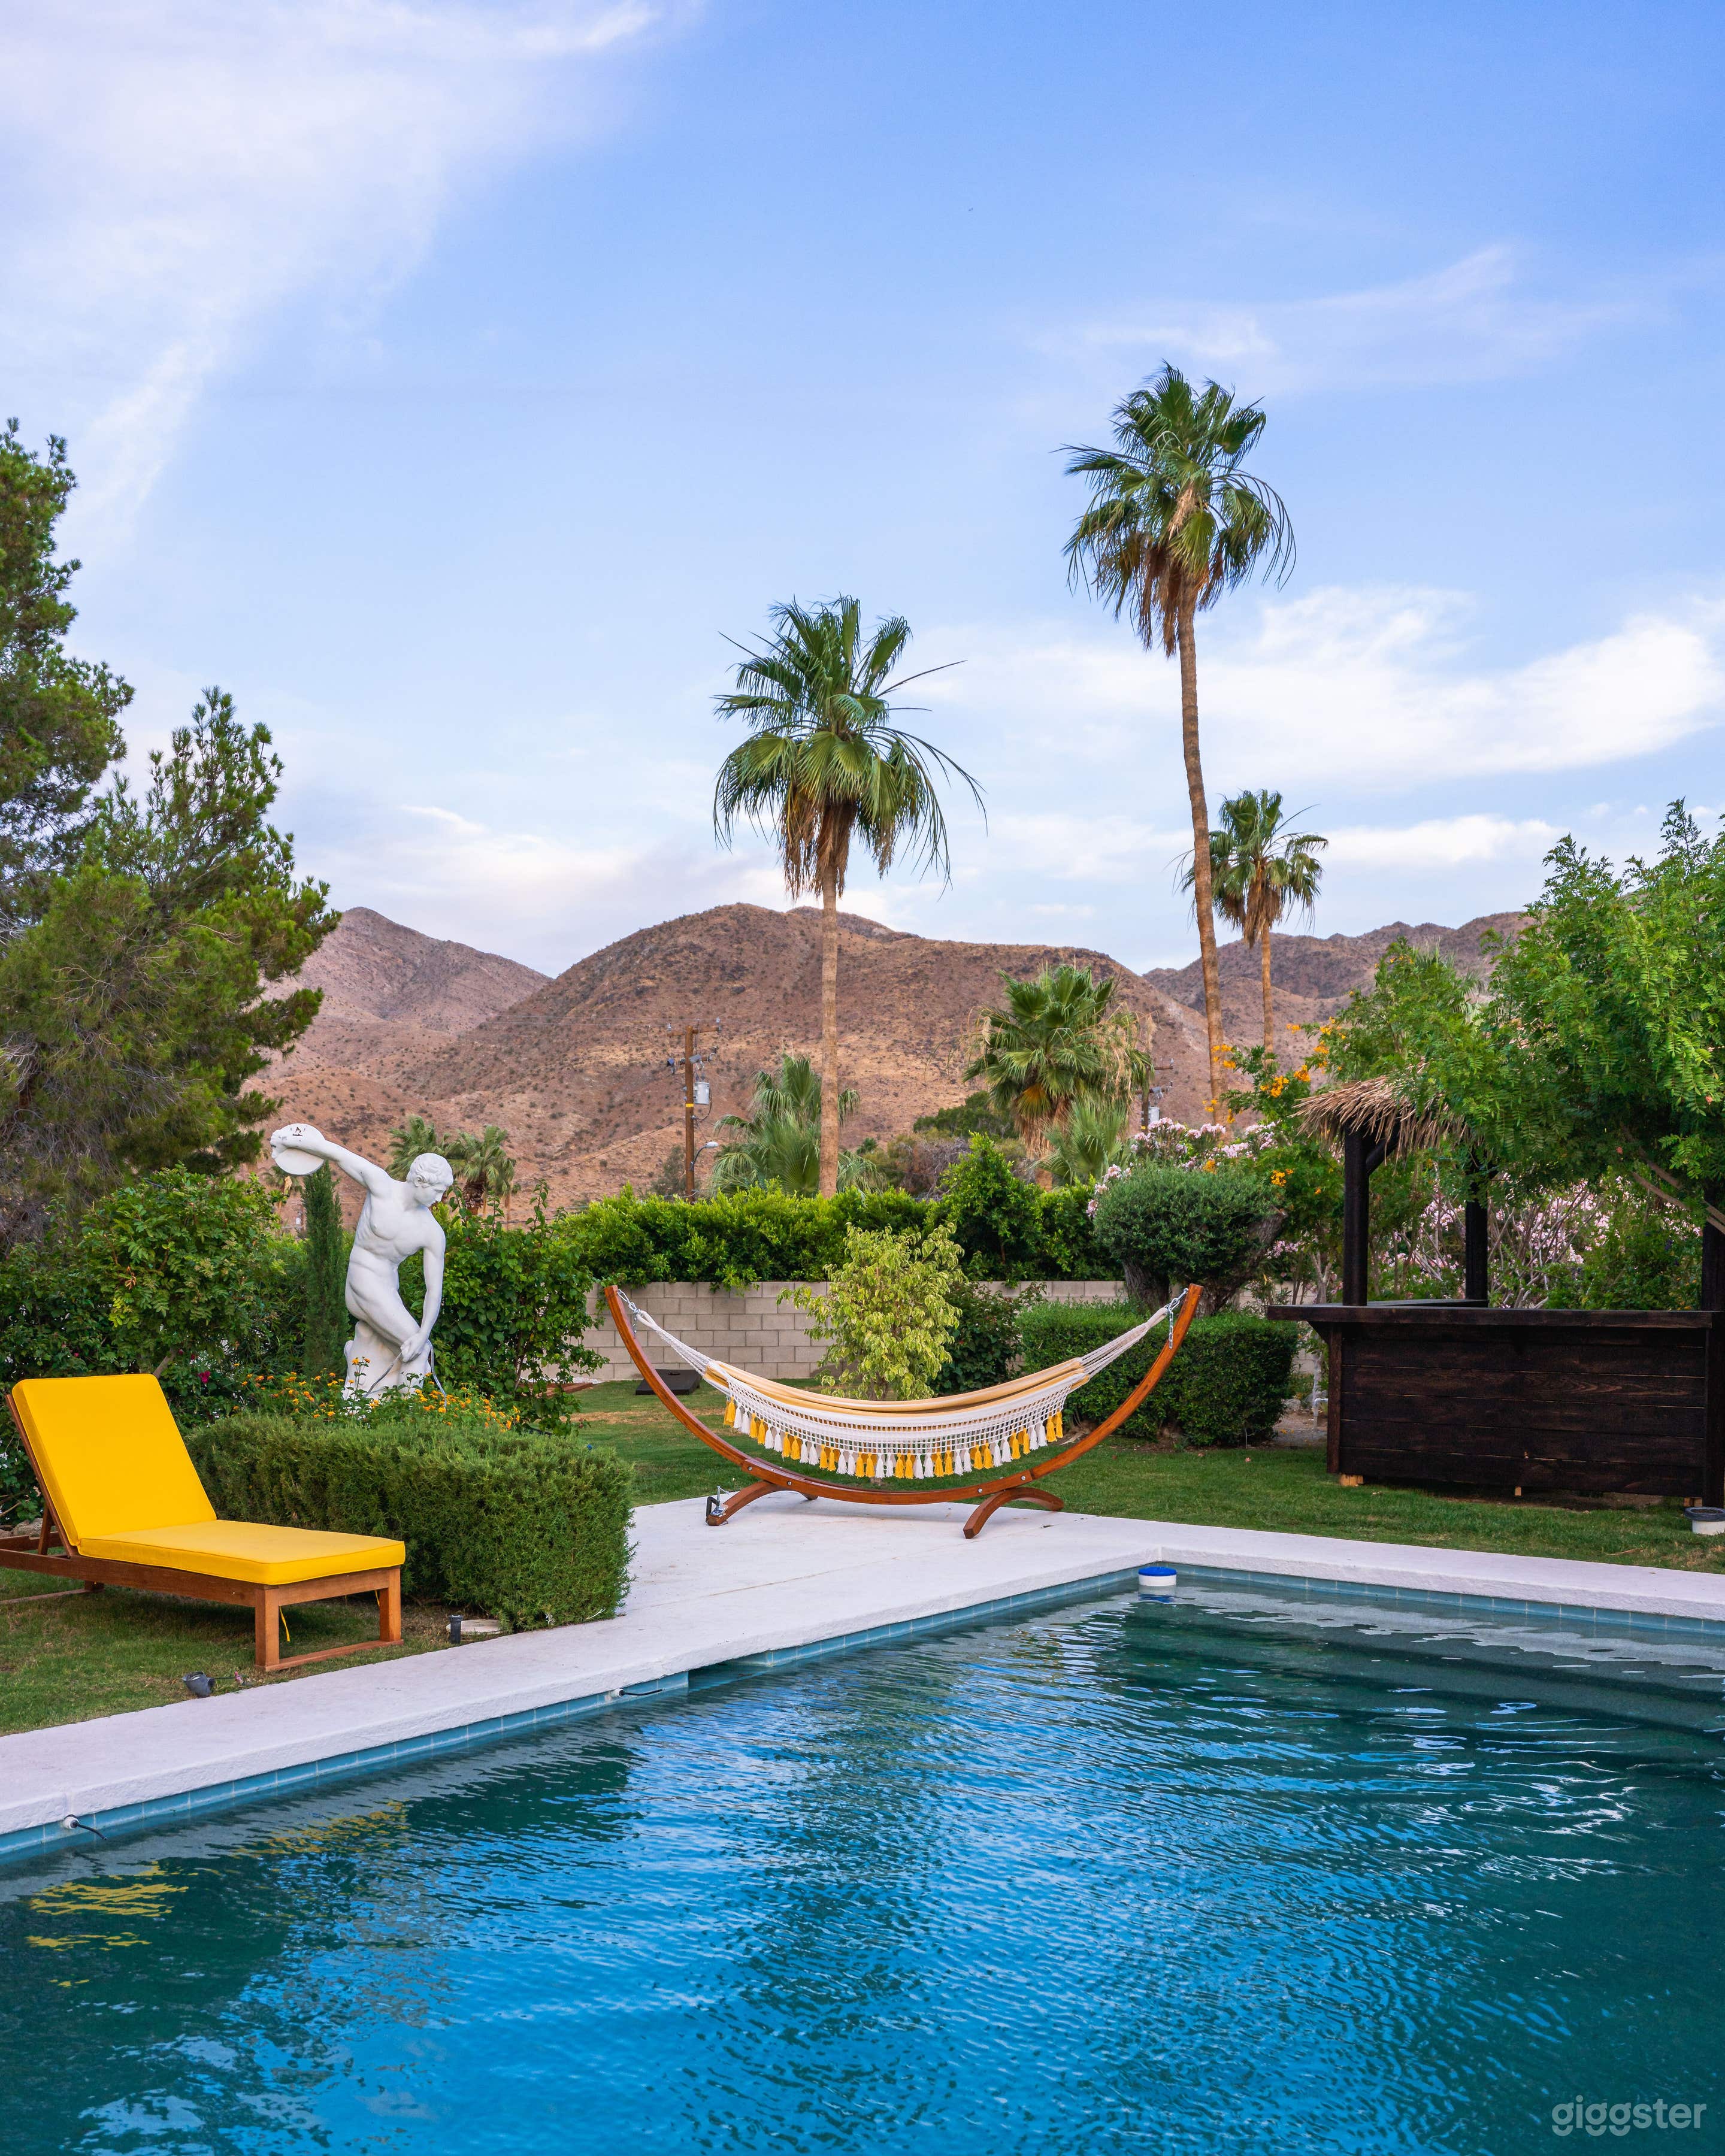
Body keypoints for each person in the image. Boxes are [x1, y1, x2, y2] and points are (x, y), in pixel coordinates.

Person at [271, 1125, 453, 1397]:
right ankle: (405, 1415)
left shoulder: (432, 1233)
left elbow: (434, 1290)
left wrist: (424, 1331)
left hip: (387, 1287)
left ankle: (365, 1392)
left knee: (404, 1345)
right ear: (421, 1181)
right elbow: (338, 1154)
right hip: (363, 1279)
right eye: (437, 1190)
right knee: (419, 1350)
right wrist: (288, 1140)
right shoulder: (381, 1186)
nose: (440, 1199)